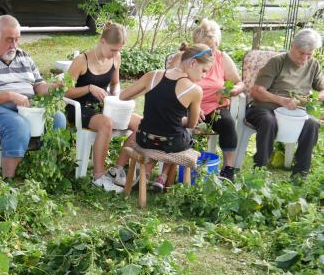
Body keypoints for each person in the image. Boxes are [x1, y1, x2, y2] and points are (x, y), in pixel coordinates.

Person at [0, 15, 65, 178]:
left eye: (17, 39)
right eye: (9, 40)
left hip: (26, 109)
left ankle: (45, 171)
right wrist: (10, 96)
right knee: (18, 126)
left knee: (58, 118)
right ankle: (8, 180)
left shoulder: (24, 56)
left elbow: (38, 86)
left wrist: (54, 87)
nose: (14, 45)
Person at [119, 44, 213, 191]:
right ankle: (163, 178)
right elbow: (191, 124)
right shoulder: (195, 90)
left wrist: (146, 90)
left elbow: (123, 96)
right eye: (204, 71)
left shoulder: (153, 75)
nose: (204, 76)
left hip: (145, 140)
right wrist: (180, 120)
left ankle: (151, 175)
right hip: (172, 144)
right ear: (193, 63)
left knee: (165, 127)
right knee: (185, 133)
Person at [65, 22, 141, 192]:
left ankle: (117, 170)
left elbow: (115, 85)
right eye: (113, 50)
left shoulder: (116, 58)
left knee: (142, 124)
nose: (115, 54)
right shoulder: (81, 61)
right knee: (106, 123)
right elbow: (65, 92)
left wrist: (117, 97)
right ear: (102, 41)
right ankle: (98, 177)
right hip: (79, 108)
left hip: (103, 106)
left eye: (118, 50)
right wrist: (89, 87)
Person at [168, 19, 245, 180]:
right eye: (205, 48)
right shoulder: (183, 58)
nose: (210, 52)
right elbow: (169, 83)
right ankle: (175, 166)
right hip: (185, 105)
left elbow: (239, 82)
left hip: (214, 106)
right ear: (195, 45)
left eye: (213, 47)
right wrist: (193, 107)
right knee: (179, 125)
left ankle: (228, 168)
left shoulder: (222, 58)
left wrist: (235, 89)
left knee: (227, 123)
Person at [246, 28, 323, 178]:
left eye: (310, 54)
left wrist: (317, 96)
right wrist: (281, 100)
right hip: (265, 109)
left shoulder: (313, 65)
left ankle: (300, 175)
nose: (305, 58)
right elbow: (256, 91)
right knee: (268, 121)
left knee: (312, 124)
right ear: (293, 46)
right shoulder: (277, 62)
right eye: (302, 53)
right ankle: (259, 170)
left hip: (295, 114)